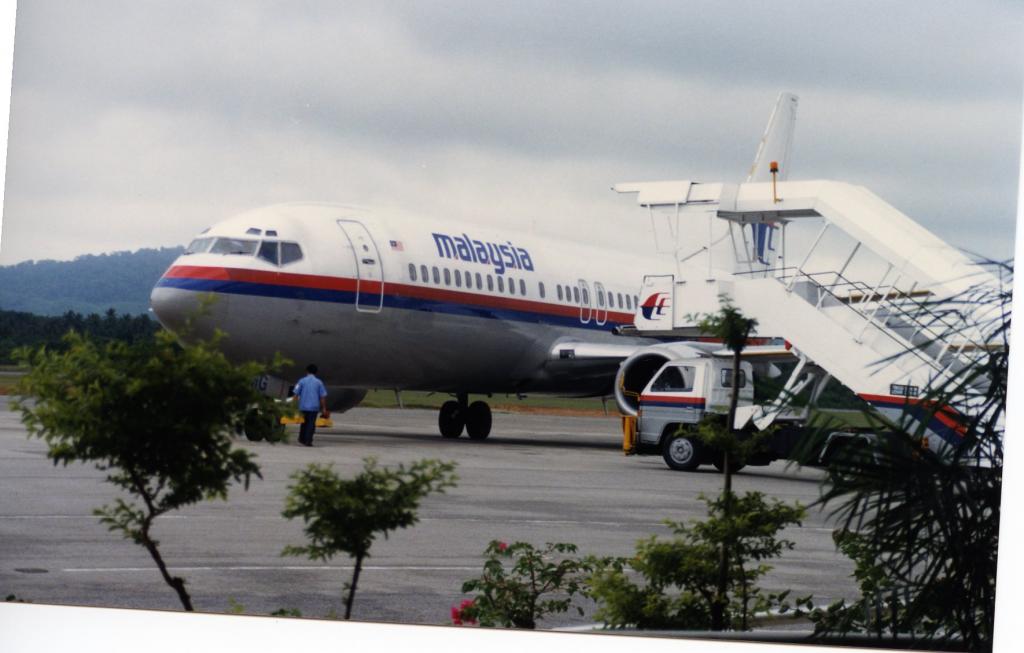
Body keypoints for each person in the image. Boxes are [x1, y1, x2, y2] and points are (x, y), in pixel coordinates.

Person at [292, 364, 329, 447]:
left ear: (307, 371)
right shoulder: (319, 382)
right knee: (311, 424)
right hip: (314, 407)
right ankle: (308, 440)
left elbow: (296, 394)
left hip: (303, 406)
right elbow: (322, 396)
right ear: (316, 372)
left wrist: (293, 405)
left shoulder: (301, 381)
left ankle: (302, 438)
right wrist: (324, 408)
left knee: (303, 423)